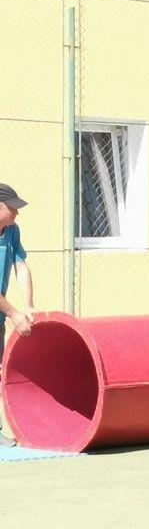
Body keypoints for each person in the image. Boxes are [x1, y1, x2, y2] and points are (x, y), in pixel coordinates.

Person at [0, 183, 37, 447]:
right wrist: (13, 313)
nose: (17, 212)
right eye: (12, 207)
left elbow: (21, 266)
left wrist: (29, 305)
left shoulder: (12, 231)